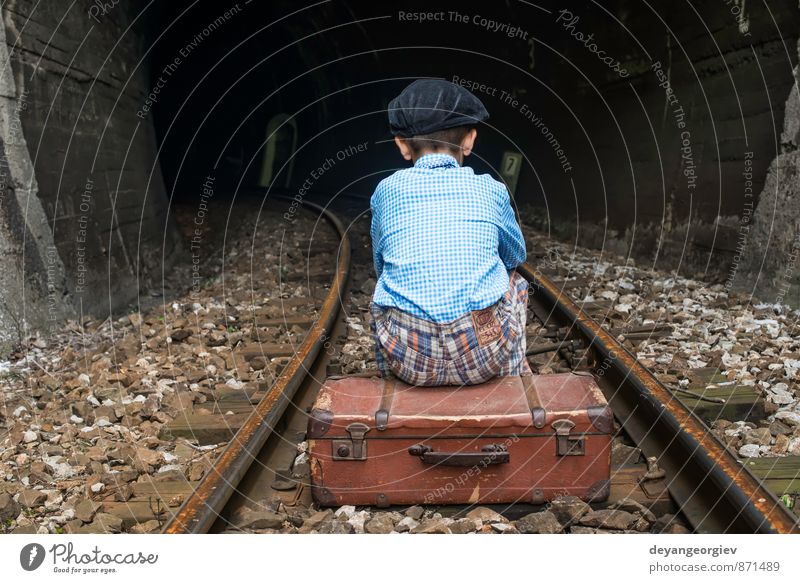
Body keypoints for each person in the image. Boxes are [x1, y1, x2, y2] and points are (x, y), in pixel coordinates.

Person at [369, 78, 531, 387]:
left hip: (409, 361)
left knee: (383, 291)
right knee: (517, 281)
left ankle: (387, 384)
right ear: (470, 140)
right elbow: (516, 255)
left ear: (402, 144)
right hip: (484, 356)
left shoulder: (386, 191)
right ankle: (513, 380)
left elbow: (380, 262)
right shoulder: (491, 189)